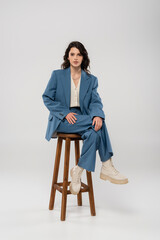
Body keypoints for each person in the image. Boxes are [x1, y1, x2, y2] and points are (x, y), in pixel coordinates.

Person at [42, 41, 128, 195]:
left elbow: (95, 101)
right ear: (68, 57)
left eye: (79, 54)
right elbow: (47, 98)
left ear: (83, 58)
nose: (76, 57)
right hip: (63, 121)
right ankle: (107, 164)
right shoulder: (57, 75)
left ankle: (77, 171)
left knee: (95, 131)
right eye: (72, 54)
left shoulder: (91, 79)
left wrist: (96, 115)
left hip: (82, 120)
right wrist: (65, 113)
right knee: (99, 121)